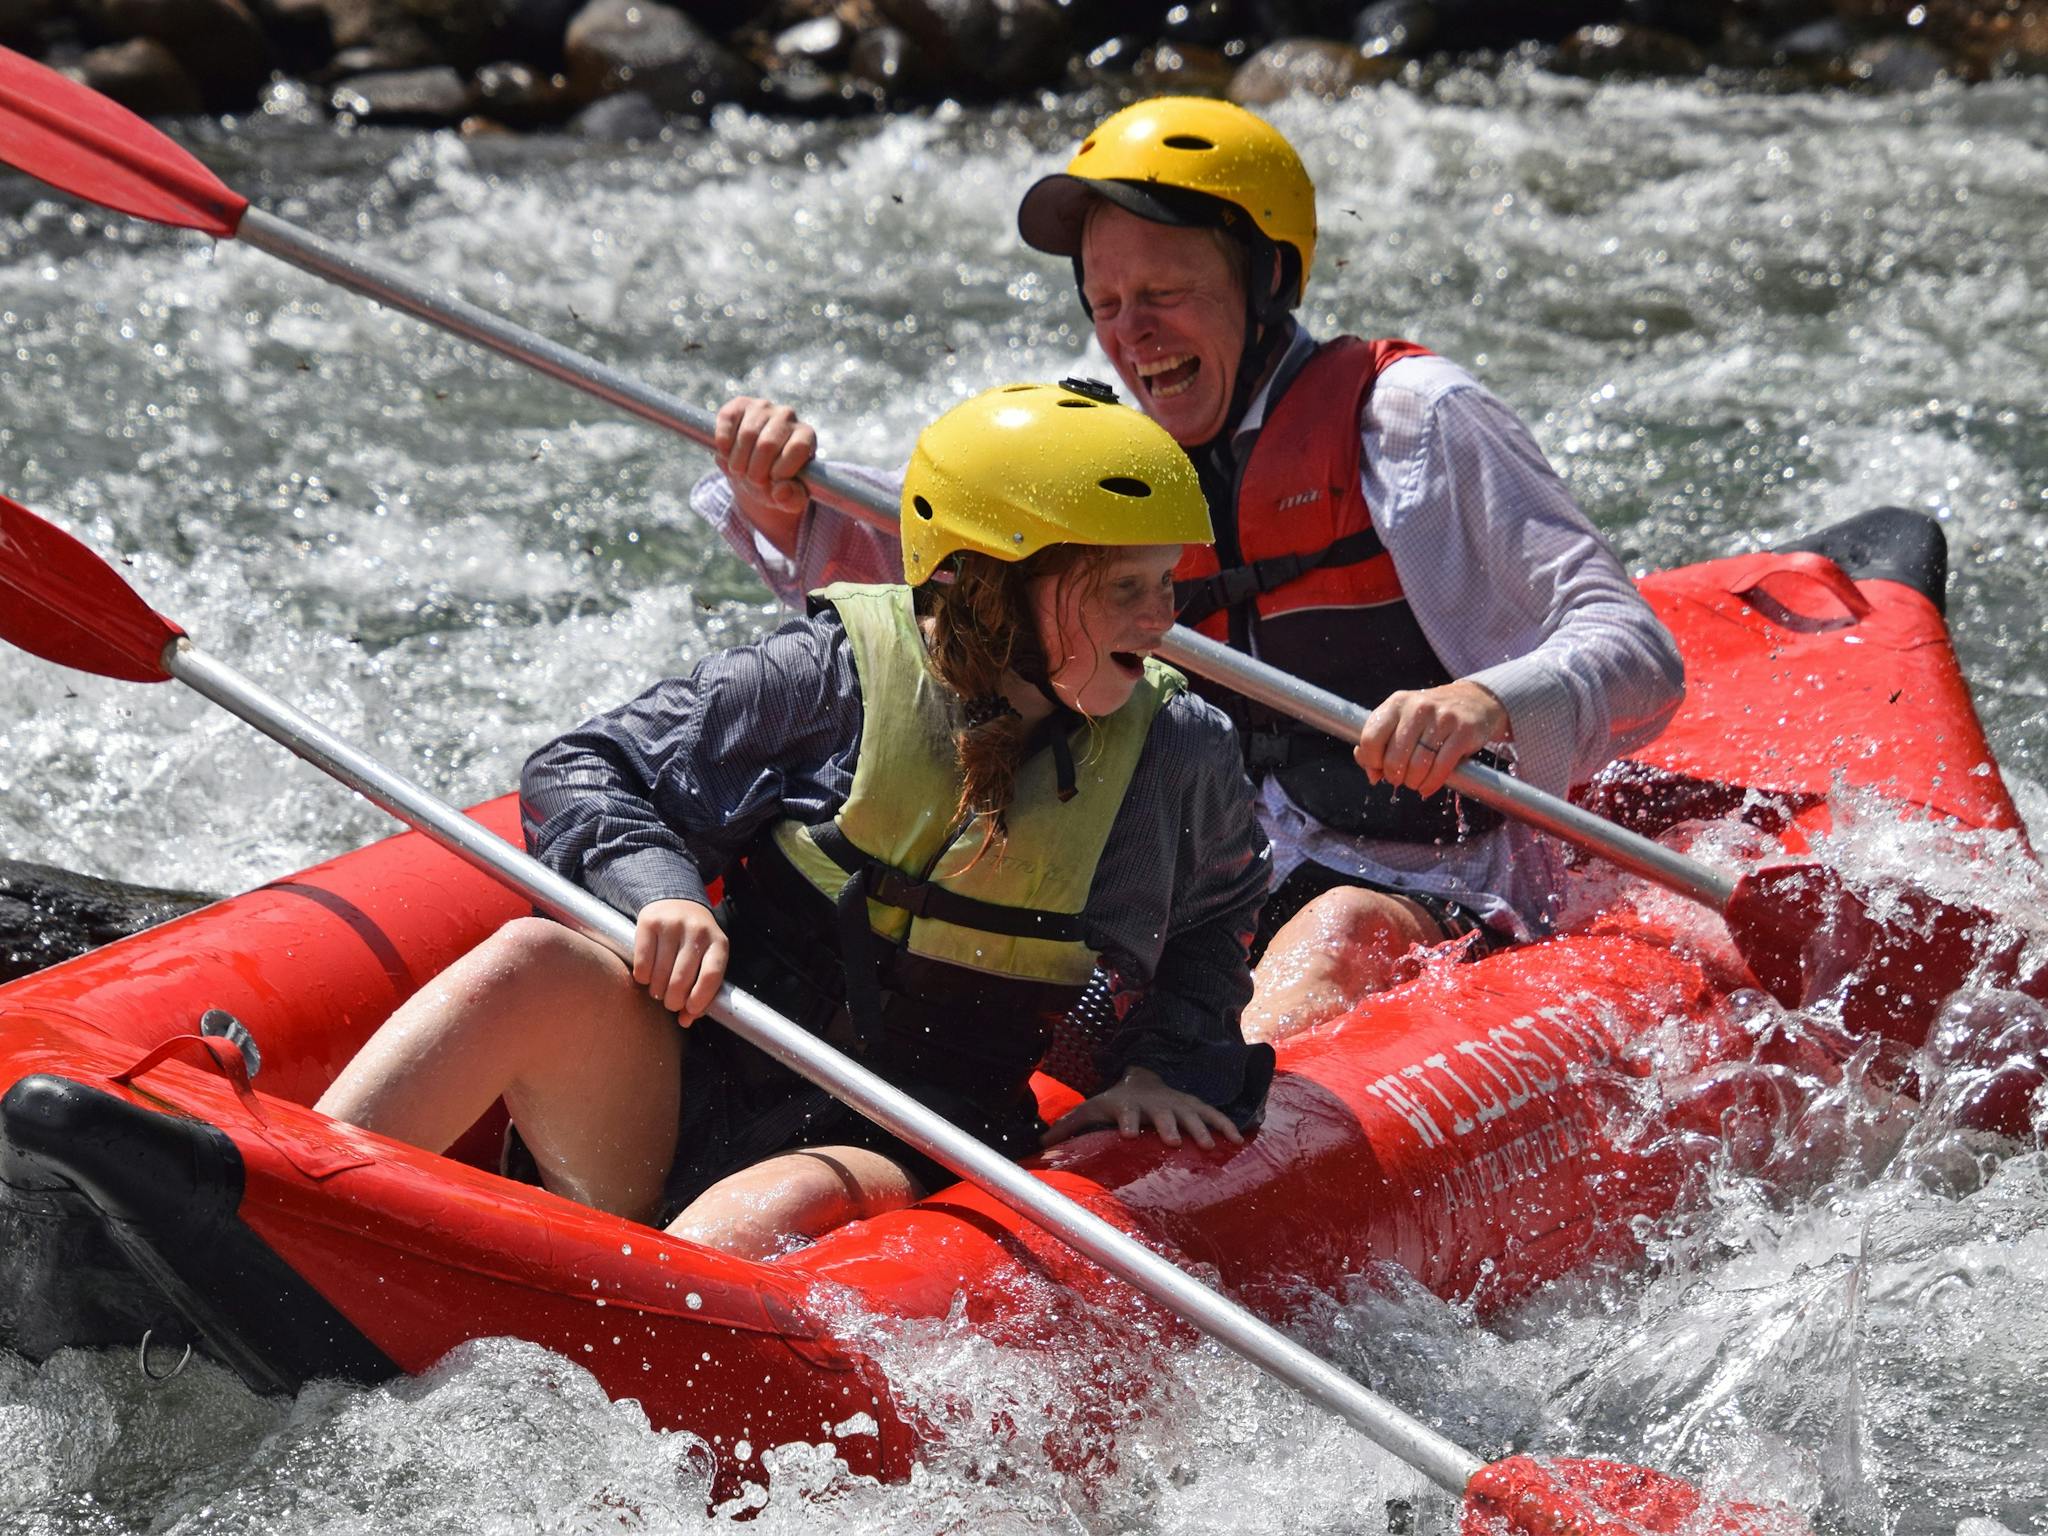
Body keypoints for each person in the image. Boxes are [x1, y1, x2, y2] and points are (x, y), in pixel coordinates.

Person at [693, 97, 1686, 1043]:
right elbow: (934, 576)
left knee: (1337, 931)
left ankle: (1207, 1135)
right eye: (1107, 303)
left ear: (1262, 281)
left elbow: (1634, 652)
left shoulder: (1411, 421)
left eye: (1163, 295)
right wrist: (784, 500)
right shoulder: (1095, 455)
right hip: (1195, 891)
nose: (1131, 333)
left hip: (1436, 878)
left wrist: (1484, 701)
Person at [315, 382, 1274, 1260]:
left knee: (761, 1211)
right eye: (1124, 589)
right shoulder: (830, 674)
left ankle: (608, 1350)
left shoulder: (1175, 748)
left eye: (1167, 584)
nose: (1163, 622)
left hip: (909, 1137)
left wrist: (1166, 1064)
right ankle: (297, 1204)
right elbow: (582, 768)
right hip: (695, 1071)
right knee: (530, 965)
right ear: (993, 583)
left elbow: (1214, 912)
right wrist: (662, 892)